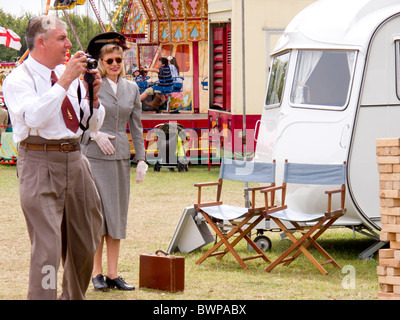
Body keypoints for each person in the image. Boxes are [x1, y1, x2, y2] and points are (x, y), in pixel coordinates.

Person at [3, 15, 105, 300]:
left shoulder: (68, 75)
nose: (69, 43)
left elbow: (92, 124)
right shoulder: (18, 79)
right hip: (38, 160)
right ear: (41, 42)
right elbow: (35, 116)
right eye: (62, 38)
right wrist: (65, 80)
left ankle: (72, 297)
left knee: (86, 242)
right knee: (47, 250)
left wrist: (94, 99)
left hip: (75, 158)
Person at [81, 32, 147, 291]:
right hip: (95, 156)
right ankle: (96, 273)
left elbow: (137, 126)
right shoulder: (90, 84)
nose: (115, 64)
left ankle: (113, 273)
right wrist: (92, 135)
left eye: (118, 59)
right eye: (109, 61)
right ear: (100, 62)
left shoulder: (132, 88)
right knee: (98, 216)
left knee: (117, 216)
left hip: (119, 156)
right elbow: (77, 121)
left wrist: (141, 158)